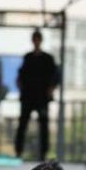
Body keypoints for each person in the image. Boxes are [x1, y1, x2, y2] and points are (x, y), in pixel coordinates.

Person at [14, 30, 58, 160]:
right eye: (35, 39)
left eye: (38, 39)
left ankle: (43, 153)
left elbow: (55, 76)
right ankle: (19, 151)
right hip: (28, 96)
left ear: (40, 41)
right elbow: (20, 76)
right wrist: (21, 88)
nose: (36, 42)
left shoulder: (47, 59)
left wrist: (51, 89)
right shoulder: (28, 57)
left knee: (43, 126)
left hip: (42, 97)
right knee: (23, 124)